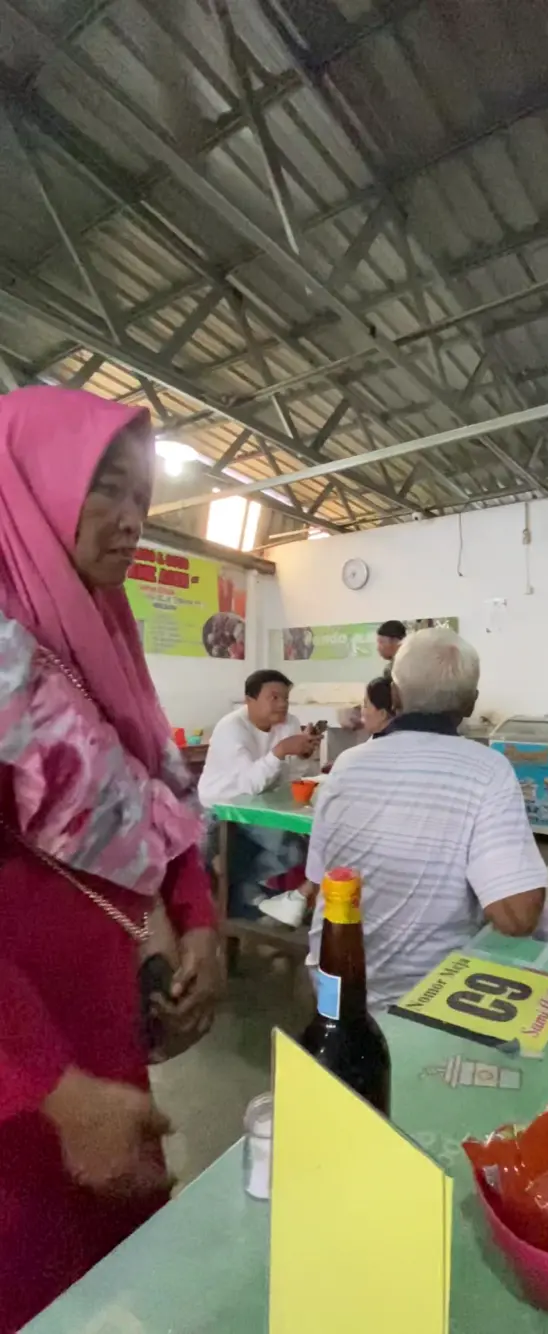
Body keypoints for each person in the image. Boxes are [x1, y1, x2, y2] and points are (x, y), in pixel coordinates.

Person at [0, 386, 220, 1331]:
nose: (133, 521)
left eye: (145, 498)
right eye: (107, 491)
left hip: (106, 1050)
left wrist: (201, 920)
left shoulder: (105, 639)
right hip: (26, 1080)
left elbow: (161, 795)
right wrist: (50, 1090)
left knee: (121, 1289)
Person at [305, 628, 545, 1008]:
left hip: (333, 979)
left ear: (395, 696)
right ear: (470, 703)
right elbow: (517, 918)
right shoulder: (488, 770)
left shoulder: (347, 764)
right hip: (428, 995)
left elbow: (321, 881)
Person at [198, 670, 319, 922]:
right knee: (286, 847)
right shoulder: (231, 728)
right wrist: (280, 750)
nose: (282, 704)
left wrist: (304, 755)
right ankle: (245, 897)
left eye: (285, 698)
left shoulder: (289, 723)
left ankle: (243, 893)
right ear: (249, 700)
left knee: (294, 850)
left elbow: (293, 776)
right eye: (273, 697)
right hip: (221, 807)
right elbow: (248, 785)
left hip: (259, 806)